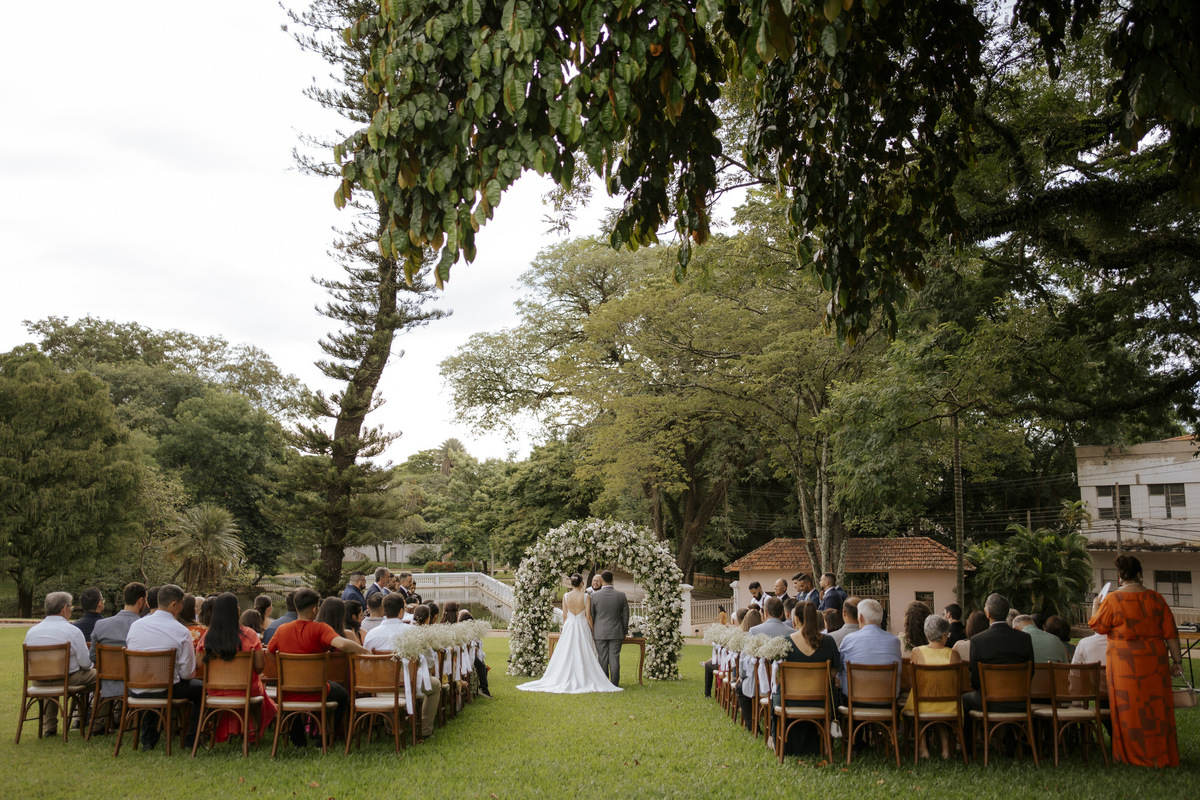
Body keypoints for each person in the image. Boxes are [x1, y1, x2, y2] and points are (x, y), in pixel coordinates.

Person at [1089, 554, 1183, 768]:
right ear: (1140, 575)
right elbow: (1171, 634)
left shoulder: (1112, 600)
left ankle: (1129, 755)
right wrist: (1177, 661)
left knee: (1128, 707)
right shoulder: (1156, 599)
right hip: (1154, 661)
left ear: (1121, 578)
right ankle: (1159, 754)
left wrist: (1095, 605)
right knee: (1155, 707)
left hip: (1123, 664)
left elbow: (1097, 626)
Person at [266, 587, 367, 747]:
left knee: (291, 702)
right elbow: (341, 643)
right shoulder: (320, 628)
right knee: (341, 694)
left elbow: (270, 652)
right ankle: (324, 738)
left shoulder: (282, 630)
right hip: (317, 690)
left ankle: (299, 741)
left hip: (288, 690)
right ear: (314, 609)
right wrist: (364, 650)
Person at [124, 584, 203, 750]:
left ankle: (148, 740)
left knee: (152, 683)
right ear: (174, 605)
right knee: (202, 690)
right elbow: (188, 674)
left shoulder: (136, 626)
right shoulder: (181, 631)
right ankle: (191, 740)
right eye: (181, 604)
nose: (182, 608)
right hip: (165, 689)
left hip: (136, 688)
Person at [517, 573, 622, 694]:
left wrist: (566, 628)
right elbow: (588, 617)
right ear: (582, 583)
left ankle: (565, 675)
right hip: (582, 626)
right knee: (584, 652)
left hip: (570, 626)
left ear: (572, 583)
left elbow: (565, 616)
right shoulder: (586, 597)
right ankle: (586, 675)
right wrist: (593, 629)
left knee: (567, 652)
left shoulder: (566, 596)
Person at [198, 592, 277, 744]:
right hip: (246, 690)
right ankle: (249, 733)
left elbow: (199, 664)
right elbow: (260, 666)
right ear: (237, 611)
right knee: (261, 691)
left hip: (216, 692)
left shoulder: (208, 636)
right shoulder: (250, 635)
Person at [961, 593, 1033, 753]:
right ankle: (1011, 746)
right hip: (1019, 700)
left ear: (988, 613)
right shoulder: (1024, 638)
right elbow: (1031, 672)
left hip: (988, 701)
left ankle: (968, 749)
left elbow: (975, 680)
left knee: (965, 700)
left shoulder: (978, 640)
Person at [23, 592, 96, 736]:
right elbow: (86, 664)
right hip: (66, 679)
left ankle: (49, 727)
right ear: (64, 608)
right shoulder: (73, 631)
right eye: (71, 607)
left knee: (50, 675)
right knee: (99, 675)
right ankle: (95, 720)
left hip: (39, 681)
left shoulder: (31, 632)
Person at [773, 602, 842, 755]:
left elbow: (778, 672)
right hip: (821, 701)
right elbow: (833, 673)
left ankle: (779, 742)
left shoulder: (786, 641)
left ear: (796, 619)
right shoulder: (829, 641)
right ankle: (821, 745)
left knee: (775, 696)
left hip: (790, 701)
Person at [903, 614, 961, 759]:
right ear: (943, 635)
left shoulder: (917, 652)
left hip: (923, 704)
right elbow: (959, 685)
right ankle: (946, 746)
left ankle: (923, 749)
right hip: (950, 706)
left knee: (921, 705)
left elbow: (912, 683)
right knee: (938, 707)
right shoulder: (953, 654)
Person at [91, 582, 147, 718]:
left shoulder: (101, 625)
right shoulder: (144, 627)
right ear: (141, 601)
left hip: (107, 680)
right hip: (136, 682)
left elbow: (93, 656)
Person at [837, 598, 902, 704]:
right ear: (881, 618)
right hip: (887, 701)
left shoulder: (849, 639)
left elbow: (840, 669)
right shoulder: (894, 641)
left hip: (854, 701)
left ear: (860, 617)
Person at [741, 598, 791, 733]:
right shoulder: (792, 632)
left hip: (760, 684)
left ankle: (753, 727)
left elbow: (745, 656)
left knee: (740, 687)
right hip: (785, 684)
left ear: (766, 612)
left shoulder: (754, 630)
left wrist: (742, 675)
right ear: (782, 613)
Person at [590, 570, 630, 687]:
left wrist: (593, 630)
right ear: (613, 579)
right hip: (616, 631)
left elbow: (592, 615)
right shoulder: (621, 595)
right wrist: (624, 631)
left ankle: (604, 683)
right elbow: (626, 615)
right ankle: (615, 683)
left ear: (601, 581)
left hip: (600, 632)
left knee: (602, 657)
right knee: (614, 657)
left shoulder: (594, 596)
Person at [458, 609, 492, 698]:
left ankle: (481, 687)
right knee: (481, 666)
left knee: (483, 665)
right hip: (463, 656)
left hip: (466, 655)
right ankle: (484, 689)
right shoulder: (462, 631)